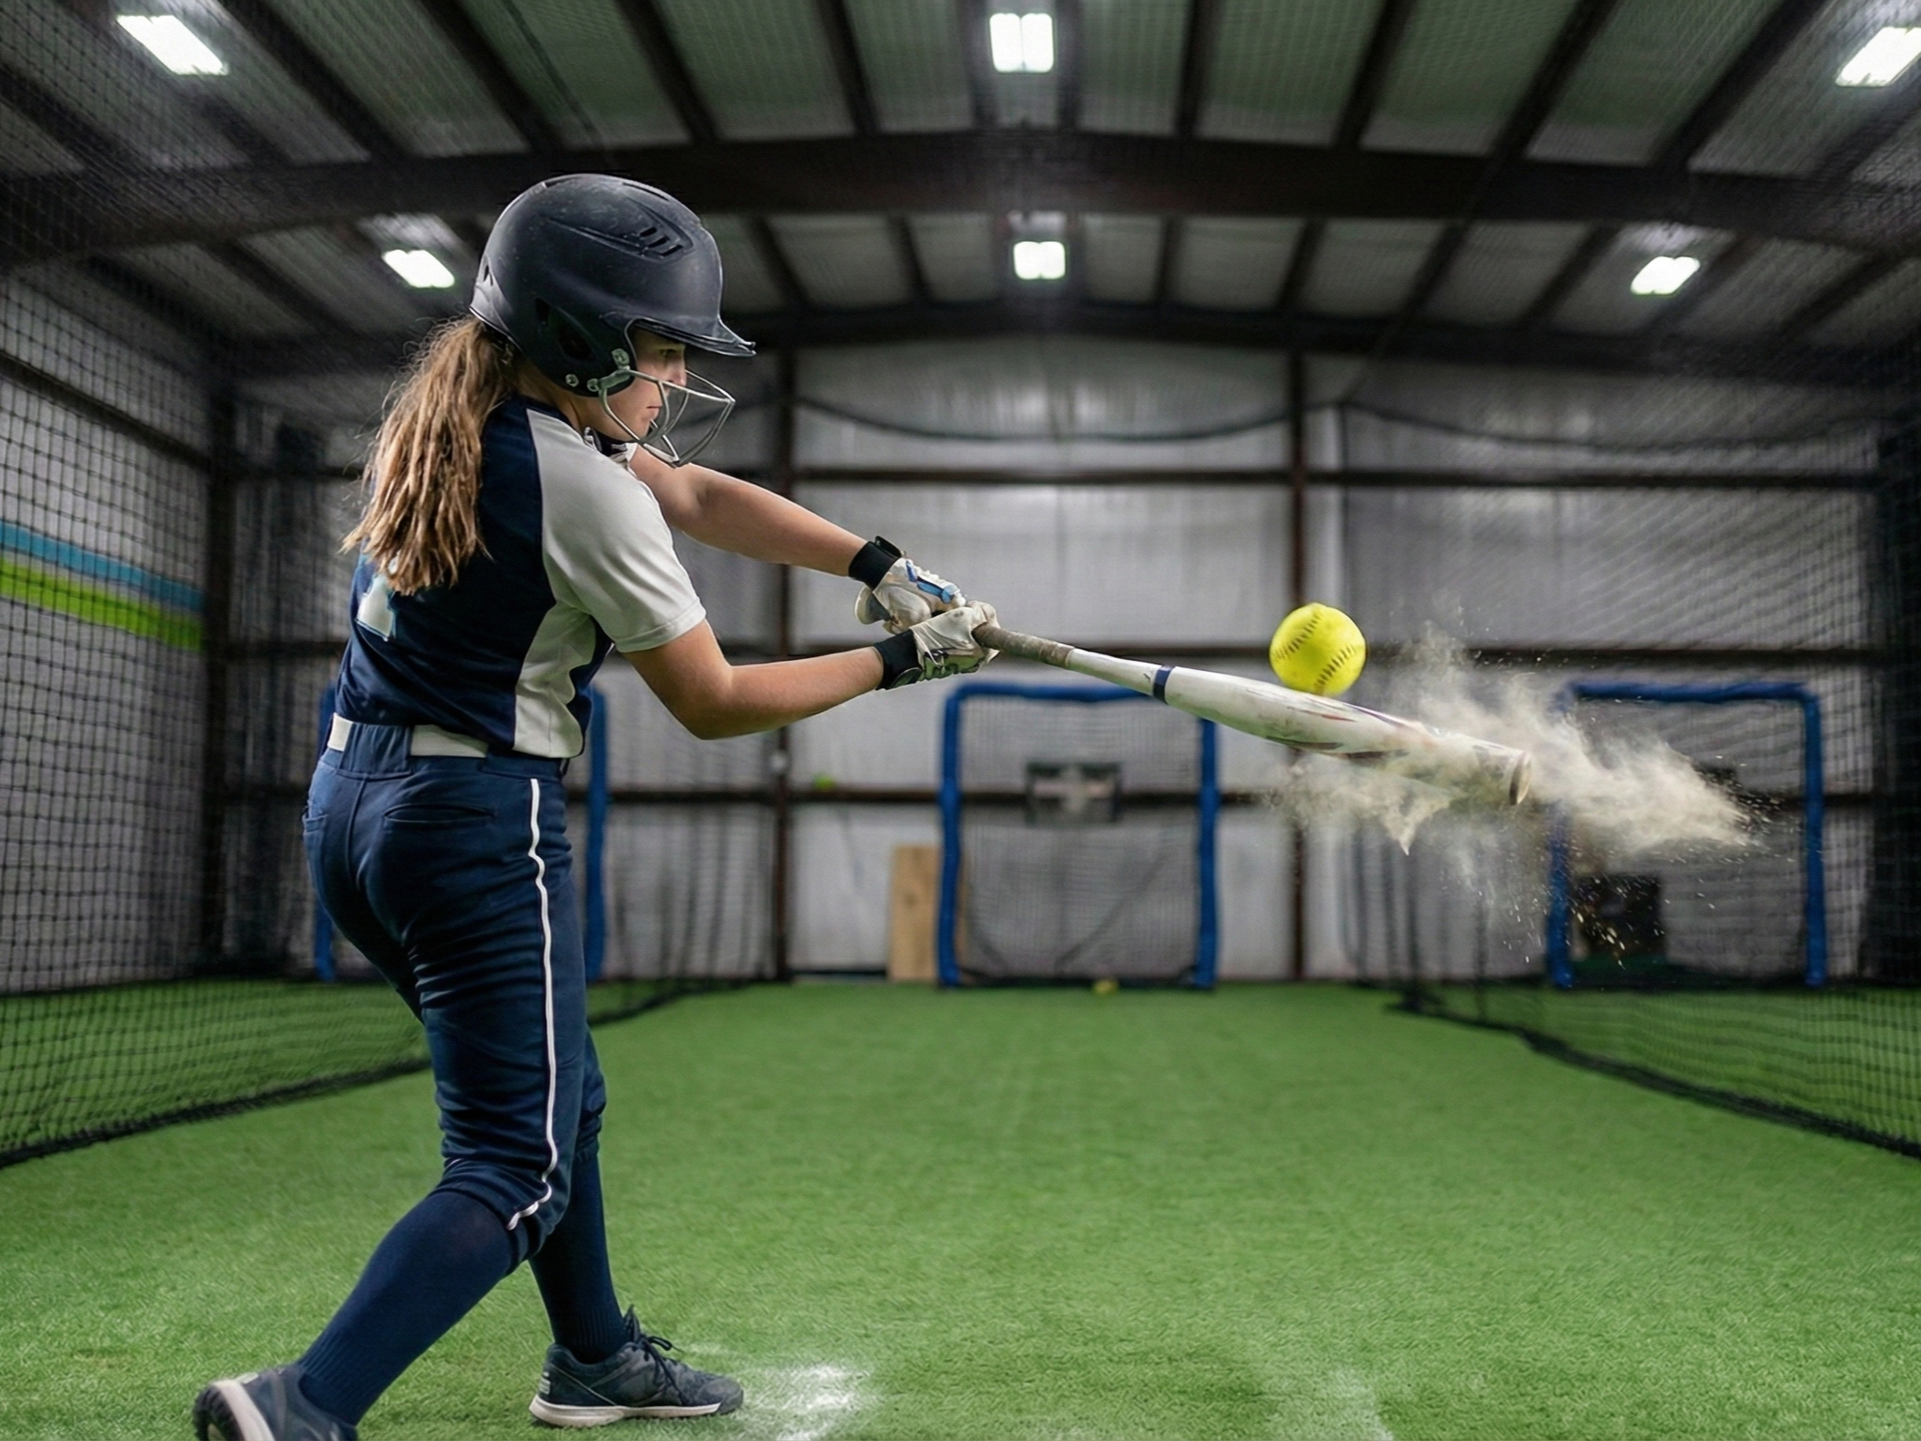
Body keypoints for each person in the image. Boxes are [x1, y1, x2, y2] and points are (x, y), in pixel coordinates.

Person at [192, 174, 996, 1441]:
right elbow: (715, 700)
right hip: (473, 824)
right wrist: (907, 660)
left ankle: (596, 1356)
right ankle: (302, 1403)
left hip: (355, 811)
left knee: (568, 1096)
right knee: (519, 1163)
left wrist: (876, 565)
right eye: (664, 349)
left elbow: (693, 494)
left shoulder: (461, 422)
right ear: (586, 341)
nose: (676, 378)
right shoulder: (588, 493)